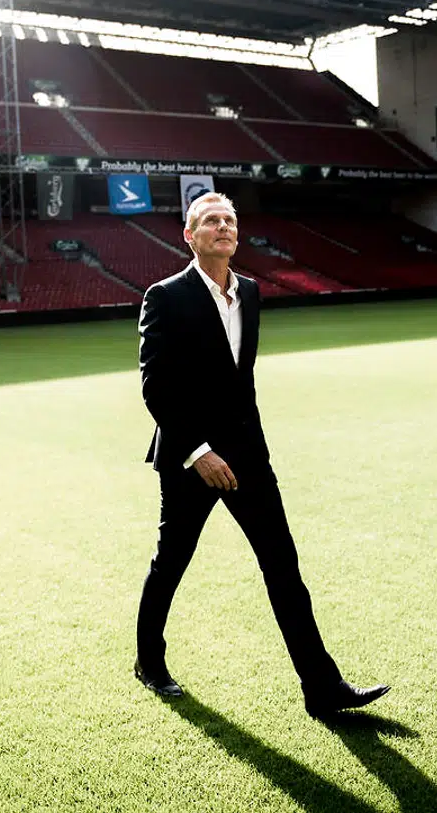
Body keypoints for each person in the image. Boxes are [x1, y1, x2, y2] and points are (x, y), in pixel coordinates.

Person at [132, 192, 389, 718]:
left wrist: (250, 446)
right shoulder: (165, 296)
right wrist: (199, 452)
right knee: (172, 562)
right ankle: (149, 661)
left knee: (283, 567)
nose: (223, 227)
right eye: (210, 220)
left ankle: (322, 688)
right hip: (191, 460)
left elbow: (239, 381)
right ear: (190, 235)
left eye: (229, 220)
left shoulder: (248, 292)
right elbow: (156, 387)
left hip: (248, 456)